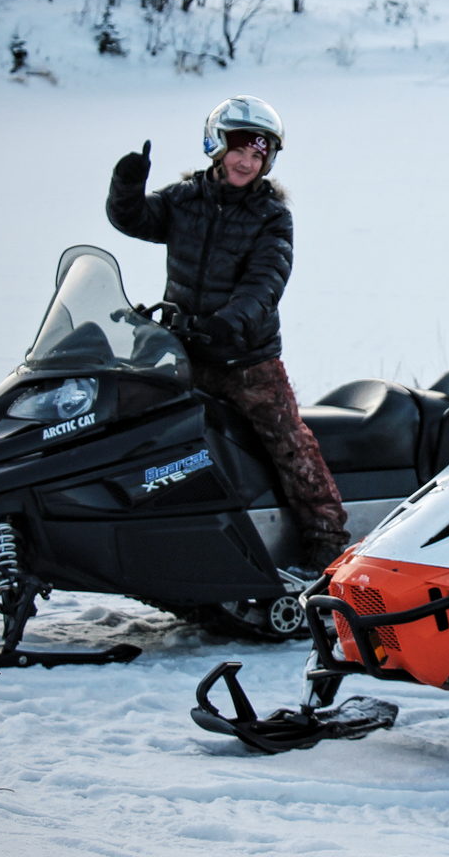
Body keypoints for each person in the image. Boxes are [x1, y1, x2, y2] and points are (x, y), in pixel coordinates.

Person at [106, 95, 348, 578]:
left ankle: (328, 542)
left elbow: (266, 281)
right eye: (240, 149)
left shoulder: (271, 216)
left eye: (259, 155)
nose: (247, 161)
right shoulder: (184, 199)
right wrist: (127, 185)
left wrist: (230, 321)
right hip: (181, 350)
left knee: (288, 441)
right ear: (217, 146)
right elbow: (134, 221)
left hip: (246, 359)